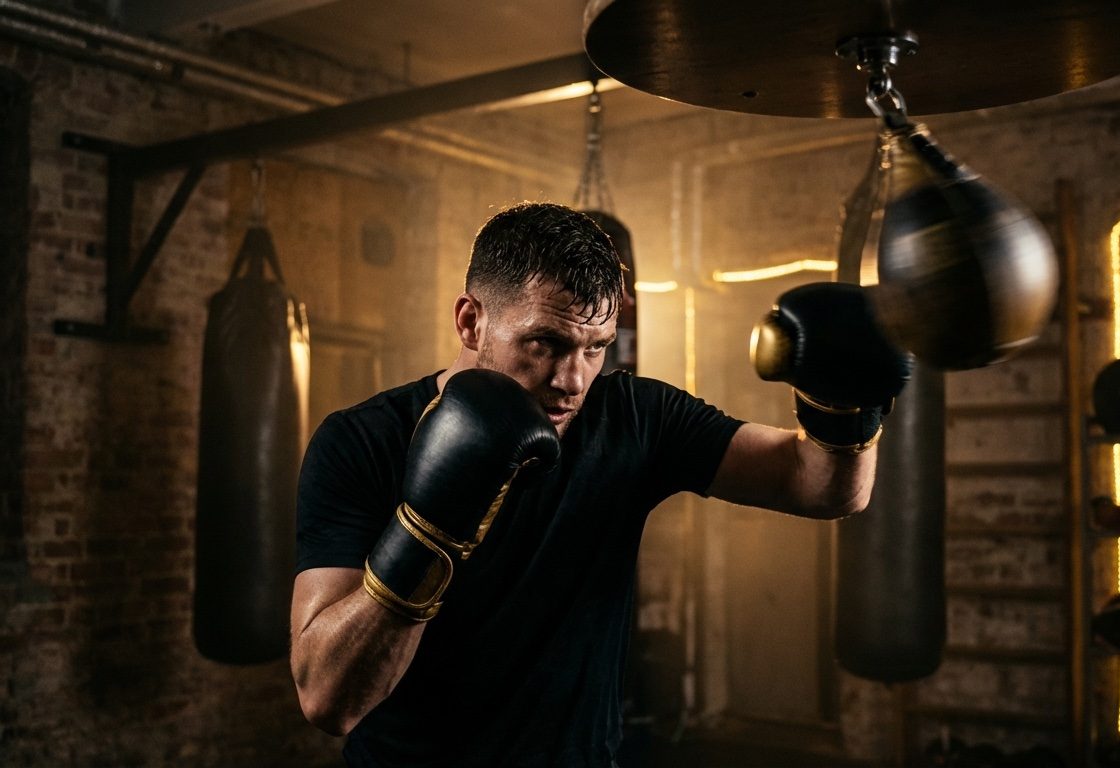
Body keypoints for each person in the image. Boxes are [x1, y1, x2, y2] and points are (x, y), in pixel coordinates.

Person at [289, 202, 911, 767]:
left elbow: (823, 486)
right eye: (545, 342)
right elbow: (328, 700)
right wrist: (428, 532)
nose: (572, 380)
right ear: (471, 321)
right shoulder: (362, 442)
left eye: (596, 348)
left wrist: (842, 405)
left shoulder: (632, 417)